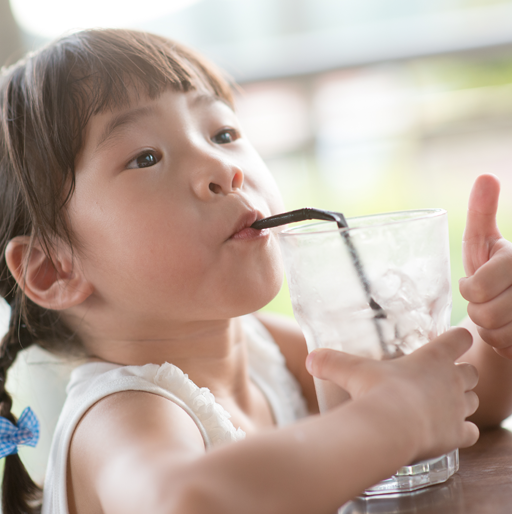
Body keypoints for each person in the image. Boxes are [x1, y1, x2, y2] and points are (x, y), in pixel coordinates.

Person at [0, 28, 509, 514]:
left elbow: (454, 401)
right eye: (146, 157)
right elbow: (188, 502)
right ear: (53, 270)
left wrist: (496, 332)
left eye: (223, 132)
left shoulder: (263, 349)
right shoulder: (119, 412)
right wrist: (393, 421)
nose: (225, 169)